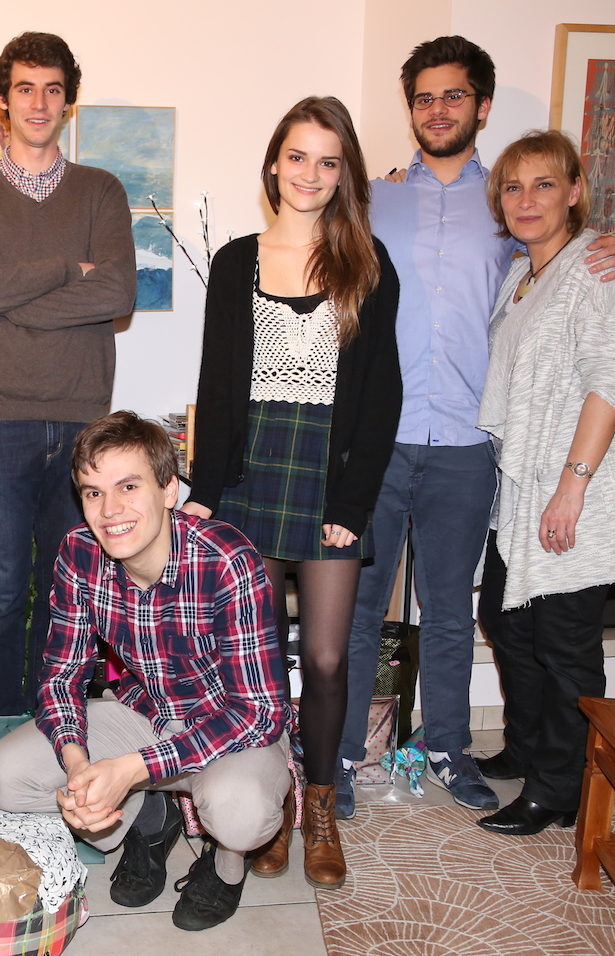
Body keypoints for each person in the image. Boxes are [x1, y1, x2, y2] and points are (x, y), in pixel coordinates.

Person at [336, 36, 615, 820]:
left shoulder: (505, 205)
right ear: (411, 109)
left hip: (469, 448)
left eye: (454, 95)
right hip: (379, 443)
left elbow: (580, 265)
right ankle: (340, 754)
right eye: (424, 97)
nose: (437, 109)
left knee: (451, 612)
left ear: (480, 105)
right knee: (358, 609)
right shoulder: (374, 198)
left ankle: (449, 745)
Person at [183, 96, 400, 890]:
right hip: (252, 478)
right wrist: (206, 489)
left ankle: (324, 808)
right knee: (262, 659)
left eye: (328, 161)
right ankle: (272, 809)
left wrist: (352, 504)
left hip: (328, 483)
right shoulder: (236, 262)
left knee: (329, 656)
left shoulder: (367, 264)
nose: (310, 173)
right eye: (298, 156)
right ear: (274, 163)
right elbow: (217, 383)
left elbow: (381, 396)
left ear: (344, 174)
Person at [0, 412, 293, 931]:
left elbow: (259, 712)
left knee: (240, 814)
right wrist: (80, 768)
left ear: (169, 490)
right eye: (94, 493)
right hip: (144, 715)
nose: (110, 511)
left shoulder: (225, 559)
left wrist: (131, 770)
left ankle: (226, 863)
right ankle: (151, 818)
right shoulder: (80, 552)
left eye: (128, 486)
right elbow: (61, 676)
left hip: (228, 731)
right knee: (3, 775)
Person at [0, 31, 136, 718]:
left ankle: (57, 733)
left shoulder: (101, 191)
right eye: (25, 88)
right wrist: (63, 271)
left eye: (53, 89)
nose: (39, 103)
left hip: (83, 422)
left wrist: (9, 304)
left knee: (68, 596)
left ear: (68, 102)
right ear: (3, 100)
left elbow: (117, 293)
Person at [474, 130, 615, 835]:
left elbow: (612, 379)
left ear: (574, 191)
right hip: (525, 485)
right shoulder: (523, 273)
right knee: (508, 623)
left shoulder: (601, 267)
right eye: (513, 187)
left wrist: (572, 486)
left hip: (581, 482)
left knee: (565, 644)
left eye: (544, 184)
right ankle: (527, 747)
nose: (527, 200)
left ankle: (561, 788)